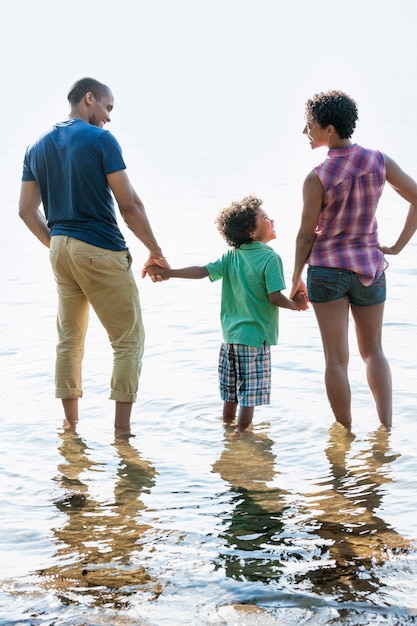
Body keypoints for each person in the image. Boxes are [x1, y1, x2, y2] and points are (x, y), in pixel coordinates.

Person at [18, 77, 169, 436]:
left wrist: (59, 244)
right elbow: (129, 205)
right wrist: (156, 251)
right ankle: (122, 434)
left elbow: (26, 211)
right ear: (89, 98)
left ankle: (70, 428)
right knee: (128, 340)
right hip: (100, 247)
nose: (109, 117)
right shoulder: (101, 140)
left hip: (60, 250)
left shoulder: (35, 145)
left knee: (69, 340)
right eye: (107, 107)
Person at [290, 89, 417, 432]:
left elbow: (305, 235)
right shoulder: (379, 161)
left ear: (329, 130)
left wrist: (295, 278)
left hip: (328, 270)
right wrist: (399, 246)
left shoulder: (317, 177)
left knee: (336, 360)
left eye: (310, 125)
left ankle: (344, 433)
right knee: (374, 351)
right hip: (370, 268)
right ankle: (386, 429)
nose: (306, 131)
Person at [146, 196, 308, 432]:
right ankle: (242, 438)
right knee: (249, 395)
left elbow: (201, 271)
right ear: (252, 232)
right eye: (264, 218)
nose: (271, 220)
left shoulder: (231, 255)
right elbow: (274, 297)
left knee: (230, 393)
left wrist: (169, 273)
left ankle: (227, 432)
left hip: (230, 338)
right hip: (255, 338)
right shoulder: (270, 257)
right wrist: (296, 305)